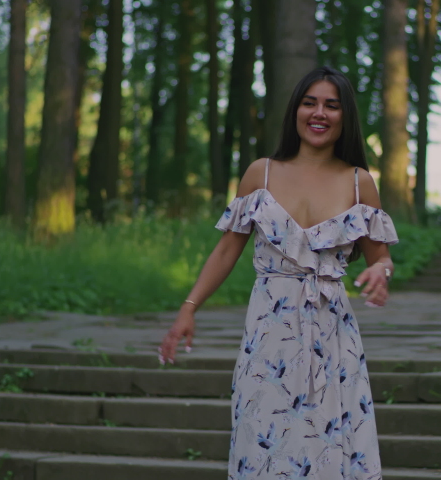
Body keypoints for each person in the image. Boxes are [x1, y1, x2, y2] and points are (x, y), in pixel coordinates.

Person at [159, 66, 398, 479]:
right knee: (262, 440)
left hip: (332, 334)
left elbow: (381, 256)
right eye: (310, 103)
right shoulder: (261, 173)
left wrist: (382, 272)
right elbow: (226, 250)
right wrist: (188, 308)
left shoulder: (360, 183)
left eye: (331, 105)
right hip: (269, 332)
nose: (319, 112)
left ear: (345, 117)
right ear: (295, 111)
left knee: (333, 444)